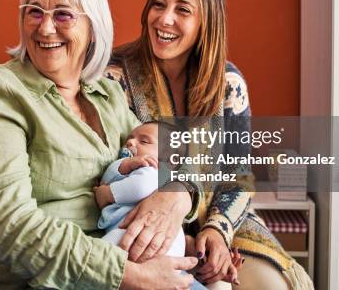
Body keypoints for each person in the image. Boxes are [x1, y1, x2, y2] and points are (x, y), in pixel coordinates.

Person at [0, 0, 201, 290]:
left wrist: (179, 194)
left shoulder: (106, 95)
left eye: (63, 14)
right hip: (38, 281)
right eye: (34, 12)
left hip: (121, 265)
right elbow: (7, 226)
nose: (46, 28)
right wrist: (127, 274)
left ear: (93, 27)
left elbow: (174, 154)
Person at [106, 0, 314, 290]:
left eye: (183, 10)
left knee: (275, 286)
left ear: (207, 22)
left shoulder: (228, 83)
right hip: (148, 217)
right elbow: (115, 159)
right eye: (158, 5)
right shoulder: (114, 76)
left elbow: (237, 174)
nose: (165, 19)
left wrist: (217, 229)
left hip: (223, 218)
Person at [94, 121, 242, 284]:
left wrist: (107, 194)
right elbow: (110, 175)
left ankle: (205, 263)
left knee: (97, 256)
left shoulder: (156, 170)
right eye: (129, 139)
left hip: (133, 239)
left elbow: (140, 187)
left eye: (144, 141)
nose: (130, 142)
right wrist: (124, 165)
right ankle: (203, 263)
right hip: (164, 245)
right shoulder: (134, 166)